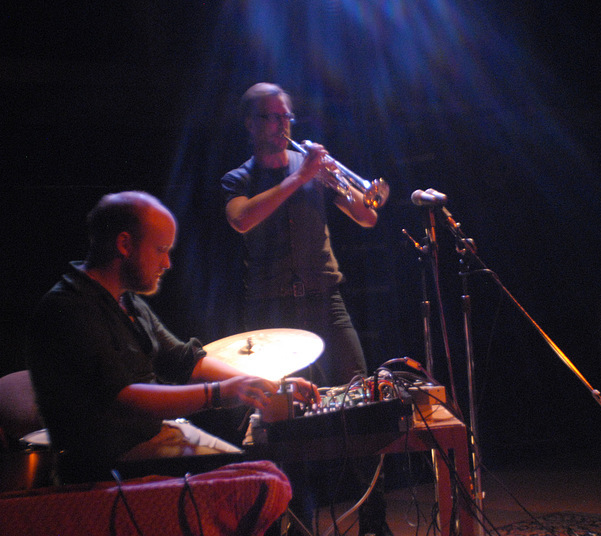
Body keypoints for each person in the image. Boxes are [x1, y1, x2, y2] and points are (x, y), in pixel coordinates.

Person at [27, 191, 317, 485]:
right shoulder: (68, 308)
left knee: (263, 475)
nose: (167, 263)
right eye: (160, 249)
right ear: (125, 244)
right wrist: (221, 392)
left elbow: (188, 362)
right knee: (257, 484)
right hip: (107, 468)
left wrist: (272, 386)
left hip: (146, 445)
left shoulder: (129, 302)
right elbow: (123, 397)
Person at [221, 83, 385, 536]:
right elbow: (242, 219)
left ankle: (375, 520)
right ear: (250, 125)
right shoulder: (240, 179)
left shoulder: (314, 171)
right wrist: (301, 178)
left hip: (326, 303)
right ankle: (294, 524)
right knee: (285, 425)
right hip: (272, 313)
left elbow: (368, 218)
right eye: (270, 118)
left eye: (286, 117)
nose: (280, 126)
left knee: (361, 402)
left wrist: (346, 184)